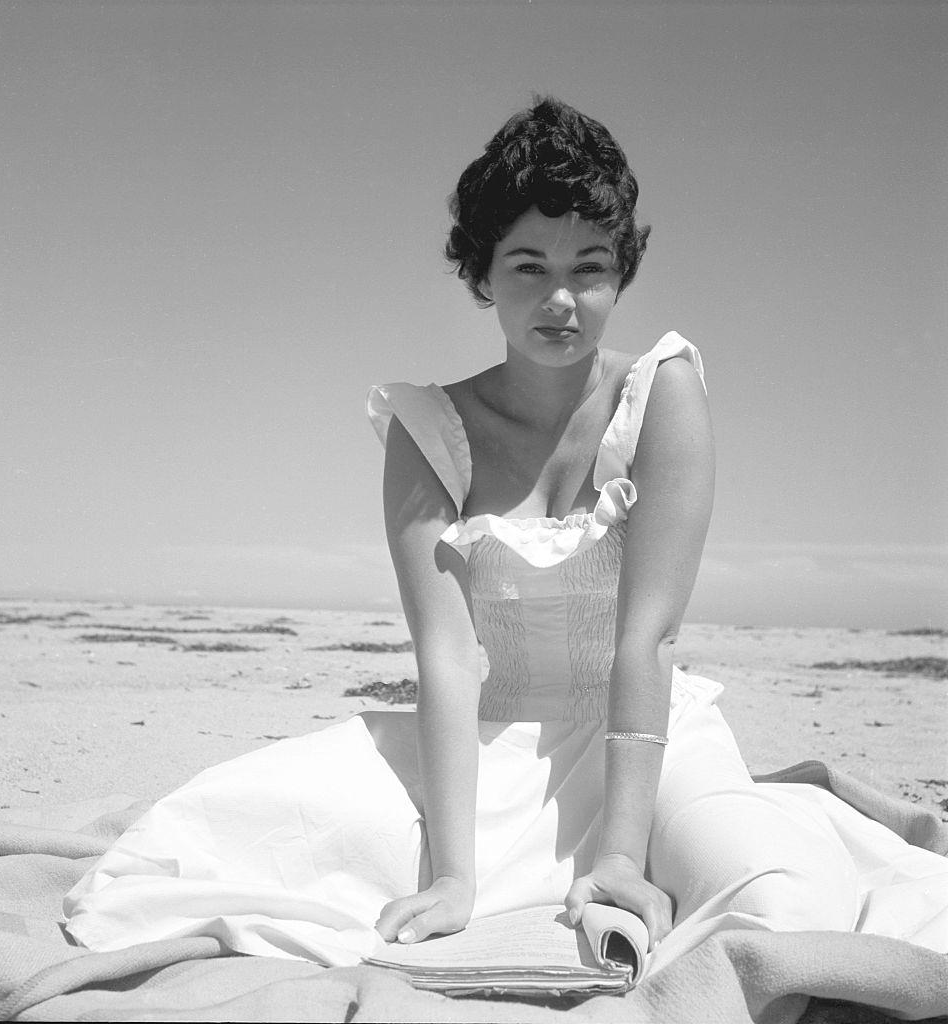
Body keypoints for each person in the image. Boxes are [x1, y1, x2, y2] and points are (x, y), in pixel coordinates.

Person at [63, 97, 947, 970]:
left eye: (590, 267)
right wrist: (454, 878)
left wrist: (618, 857)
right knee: (221, 834)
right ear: (483, 274)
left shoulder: (662, 392)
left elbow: (651, 637)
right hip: (482, 752)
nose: (561, 299)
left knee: (776, 898)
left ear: (621, 273)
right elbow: (447, 657)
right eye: (528, 266)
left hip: (645, 745)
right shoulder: (426, 429)